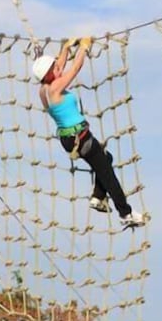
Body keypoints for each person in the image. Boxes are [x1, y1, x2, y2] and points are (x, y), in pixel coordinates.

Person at [33, 37, 146, 229]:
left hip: (70, 138)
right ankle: (125, 213)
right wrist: (83, 48)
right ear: (50, 74)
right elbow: (74, 69)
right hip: (80, 138)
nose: (59, 68)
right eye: (55, 68)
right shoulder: (55, 88)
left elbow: (57, 66)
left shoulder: (43, 90)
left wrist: (66, 48)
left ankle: (98, 197)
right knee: (107, 173)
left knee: (106, 158)